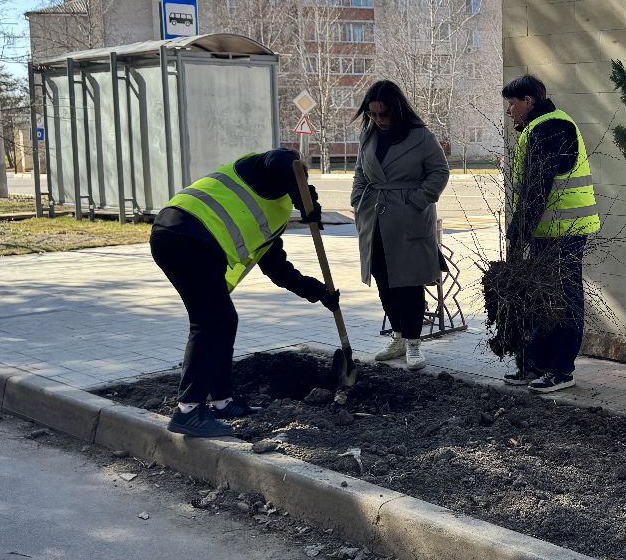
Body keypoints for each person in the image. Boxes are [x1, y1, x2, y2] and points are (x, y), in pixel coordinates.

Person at [150, 149, 339, 438]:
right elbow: (281, 160)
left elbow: (279, 271)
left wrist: (320, 292)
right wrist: (306, 201)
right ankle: (188, 410)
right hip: (186, 233)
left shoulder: (274, 214)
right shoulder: (260, 170)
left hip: (183, 236)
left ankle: (222, 400)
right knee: (211, 321)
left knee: (224, 319)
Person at [501, 74, 599, 394]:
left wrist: (519, 232)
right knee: (543, 299)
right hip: (550, 231)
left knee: (563, 300)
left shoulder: (551, 127)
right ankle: (539, 365)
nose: (509, 111)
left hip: (564, 232)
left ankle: (561, 370)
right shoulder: (540, 127)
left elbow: (537, 188)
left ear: (528, 101)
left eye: (512, 105)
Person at [350, 80, 449, 370]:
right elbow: (360, 171)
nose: (378, 120)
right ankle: (398, 337)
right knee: (383, 280)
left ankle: (414, 344)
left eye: (384, 114)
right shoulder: (369, 135)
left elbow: (439, 171)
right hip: (374, 218)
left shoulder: (420, 136)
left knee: (409, 283)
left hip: (407, 220)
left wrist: (417, 202)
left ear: (397, 110)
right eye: (373, 114)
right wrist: (358, 199)